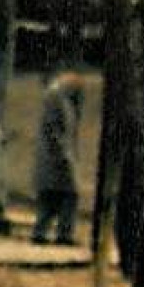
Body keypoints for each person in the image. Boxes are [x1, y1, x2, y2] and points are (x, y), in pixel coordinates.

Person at [31, 71, 84, 245]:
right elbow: (53, 129)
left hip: (54, 157)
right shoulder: (56, 98)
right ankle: (62, 233)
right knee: (68, 194)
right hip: (55, 157)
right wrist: (64, 153)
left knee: (52, 196)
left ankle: (43, 231)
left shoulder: (61, 98)